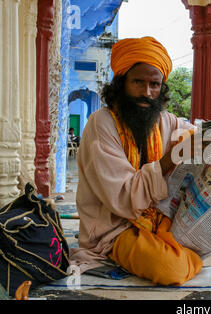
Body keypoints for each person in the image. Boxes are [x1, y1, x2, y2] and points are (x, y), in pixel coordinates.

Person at [69, 36, 203, 286]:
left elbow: (195, 133)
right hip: (115, 230)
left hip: (156, 221)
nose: (147, 92)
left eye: (154, 84)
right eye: (138, 82)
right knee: (170, 269)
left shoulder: (165, 121)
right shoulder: (102, 124)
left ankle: (184, 252)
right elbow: (122, 196)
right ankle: (190, 258)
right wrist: (170, 159)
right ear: (121, 83)